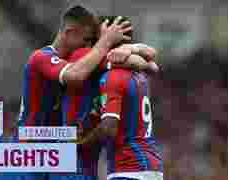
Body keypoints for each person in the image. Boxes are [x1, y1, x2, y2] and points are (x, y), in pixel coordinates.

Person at [8, 5, 132, 180]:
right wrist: (106, 41)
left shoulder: (78, 61)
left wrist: (129, 51)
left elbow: (132, 60)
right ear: (69, 32)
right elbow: (75, 75)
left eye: (92, 41)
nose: (88, 46)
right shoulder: (41, 57)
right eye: (86, 39)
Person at [59, 16, 160, 180]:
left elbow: (109, 128)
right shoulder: (139, 75)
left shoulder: (112, 77)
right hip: (149, 164)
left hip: (130, 167)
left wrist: (82, 143)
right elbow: (153, 63)